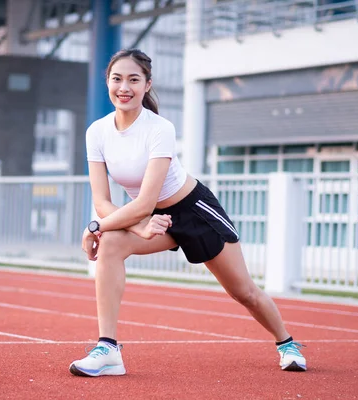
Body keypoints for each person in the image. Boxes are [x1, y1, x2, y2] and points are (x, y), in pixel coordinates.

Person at [69, 49, 306, 377]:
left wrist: (95, 226)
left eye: (134, 80)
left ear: (147, 84)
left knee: (244, 292)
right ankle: (108, 349)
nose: (124, 87)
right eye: (117, 79)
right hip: (151, 217)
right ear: (107, 82)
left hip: (194, 211)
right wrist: (132, 227)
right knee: (110, 244)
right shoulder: (97, 132)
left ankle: (287, 343)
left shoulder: (159, 128)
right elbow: (102, 201)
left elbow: (142, 201)